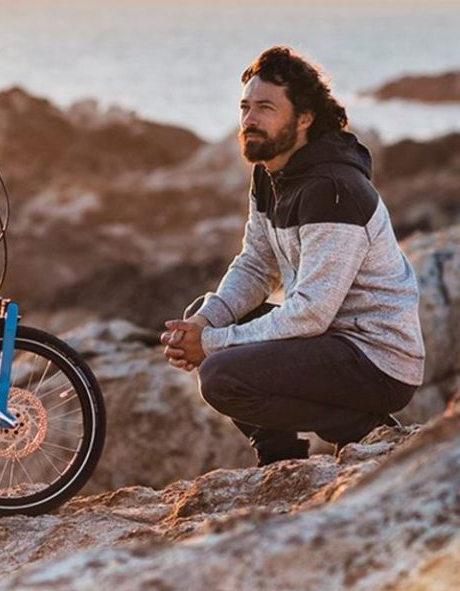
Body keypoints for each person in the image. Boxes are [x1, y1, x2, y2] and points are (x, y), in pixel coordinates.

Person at [160, 46, 425, 466]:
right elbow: (256, 265)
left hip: (376, 359)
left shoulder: (333, 189)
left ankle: (362, 429)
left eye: (266, 107)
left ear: (304, 118)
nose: (249, 120)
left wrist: (210, 344)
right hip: (329, 342)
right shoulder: (271, 174)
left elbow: (310, 313)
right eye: (245, 107)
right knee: (207, 310)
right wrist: (202, 323)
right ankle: (280, 460)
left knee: (220, 375)